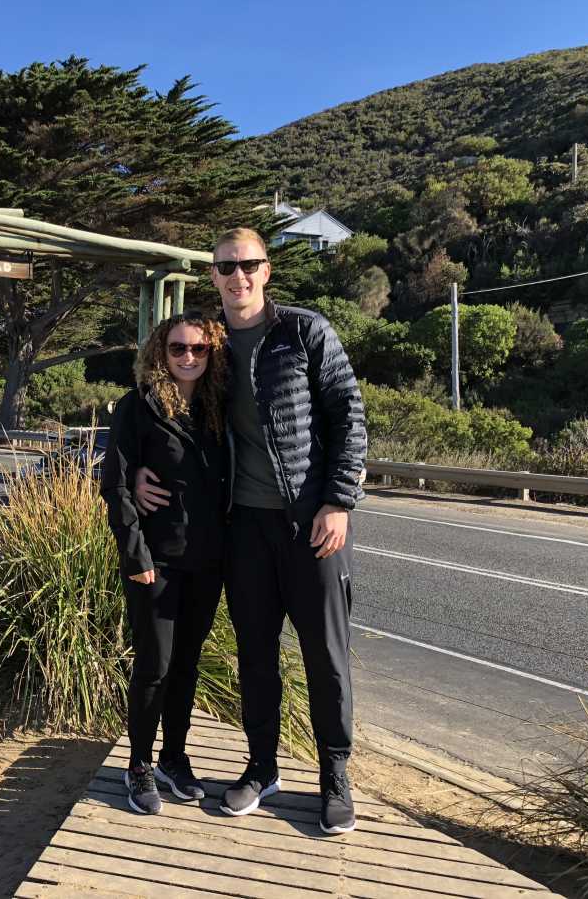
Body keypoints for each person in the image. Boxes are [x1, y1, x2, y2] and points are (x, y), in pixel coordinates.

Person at [136, 227, 366, 834]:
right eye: (226, 266)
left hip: (311, 522)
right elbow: (163, 408)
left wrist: (338, 500)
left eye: (249, 264)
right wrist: (137, 472)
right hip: (243, 528)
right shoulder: (209, 345)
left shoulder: (304, 331)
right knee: (255, 656)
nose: (238, 275)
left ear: (267, 270)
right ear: (212, 274)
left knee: (327, 657)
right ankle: (262, 767)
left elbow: (349, 414)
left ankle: (335, 774)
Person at [101, 311, 230, 815]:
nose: (188, 357)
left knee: (187, 665)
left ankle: (174, 758)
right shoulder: (139, 407)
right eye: (178, 348)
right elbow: (116, 482)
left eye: (199, 349)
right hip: (155, 559)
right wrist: (134, 552)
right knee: (154, 665)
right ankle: (138, 764)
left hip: (208, 560)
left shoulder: (223, 407)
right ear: (161, 351)